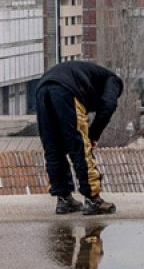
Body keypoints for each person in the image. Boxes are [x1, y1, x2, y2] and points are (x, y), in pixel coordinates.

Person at [35, 60, 124, 215]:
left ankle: (63, 199)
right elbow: (108, 106)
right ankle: (92, 199)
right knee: (80, 147)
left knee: (53, 147)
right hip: (67, 91)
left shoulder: (90, 75)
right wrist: (93, 135)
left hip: (43, 89)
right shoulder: (114, 81)